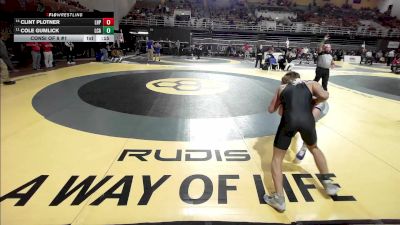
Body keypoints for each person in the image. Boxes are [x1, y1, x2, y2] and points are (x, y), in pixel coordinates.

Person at [264, 71, 340, 212]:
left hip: (289, 122)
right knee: (314, 148)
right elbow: (325, 96)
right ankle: (328, 184)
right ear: (299, 78)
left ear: (285, 81)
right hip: (307, 121)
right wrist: (313, 100)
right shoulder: (311, 83)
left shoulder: (282, 88)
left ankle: (279, 199)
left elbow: (270, 110)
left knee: (277, 159)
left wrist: (282, 102)